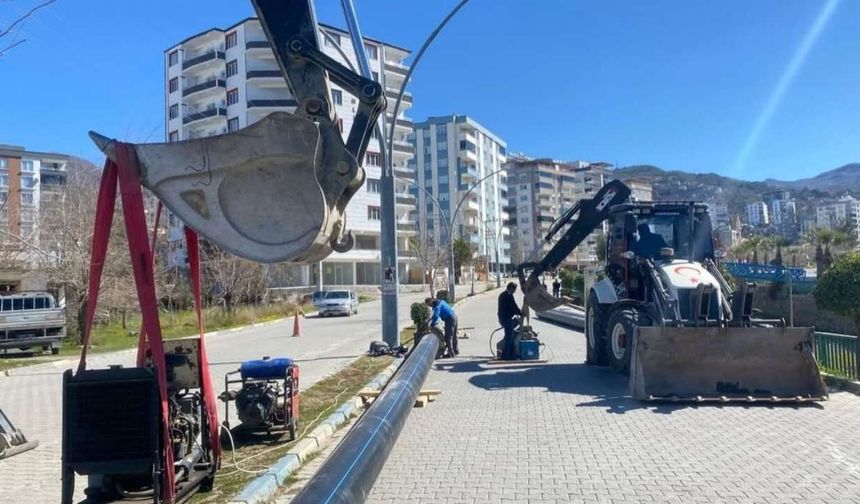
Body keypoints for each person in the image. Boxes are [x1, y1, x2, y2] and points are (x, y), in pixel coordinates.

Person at [497, 282, 522, 360]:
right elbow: (513, 306)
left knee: (511, 336)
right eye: (514, 290)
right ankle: (505, 356)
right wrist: (520, 313)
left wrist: (518, 312)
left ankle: (512, 355)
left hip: (506, 318)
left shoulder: (505, 295)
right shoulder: (506, 296)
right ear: (511, 288)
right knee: (509, 337)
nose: (514, 291)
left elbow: (513, 306)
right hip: (505, 318)